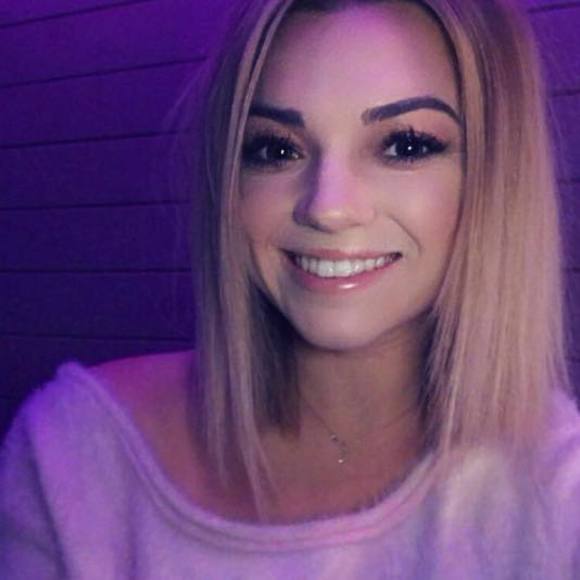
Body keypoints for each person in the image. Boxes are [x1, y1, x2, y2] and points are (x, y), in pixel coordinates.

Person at [1, 0, 578, 577]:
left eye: (405, 145)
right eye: (277, 149)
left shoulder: (559, 492)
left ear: (494, 179)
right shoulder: (75, 457)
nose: (327, 207)